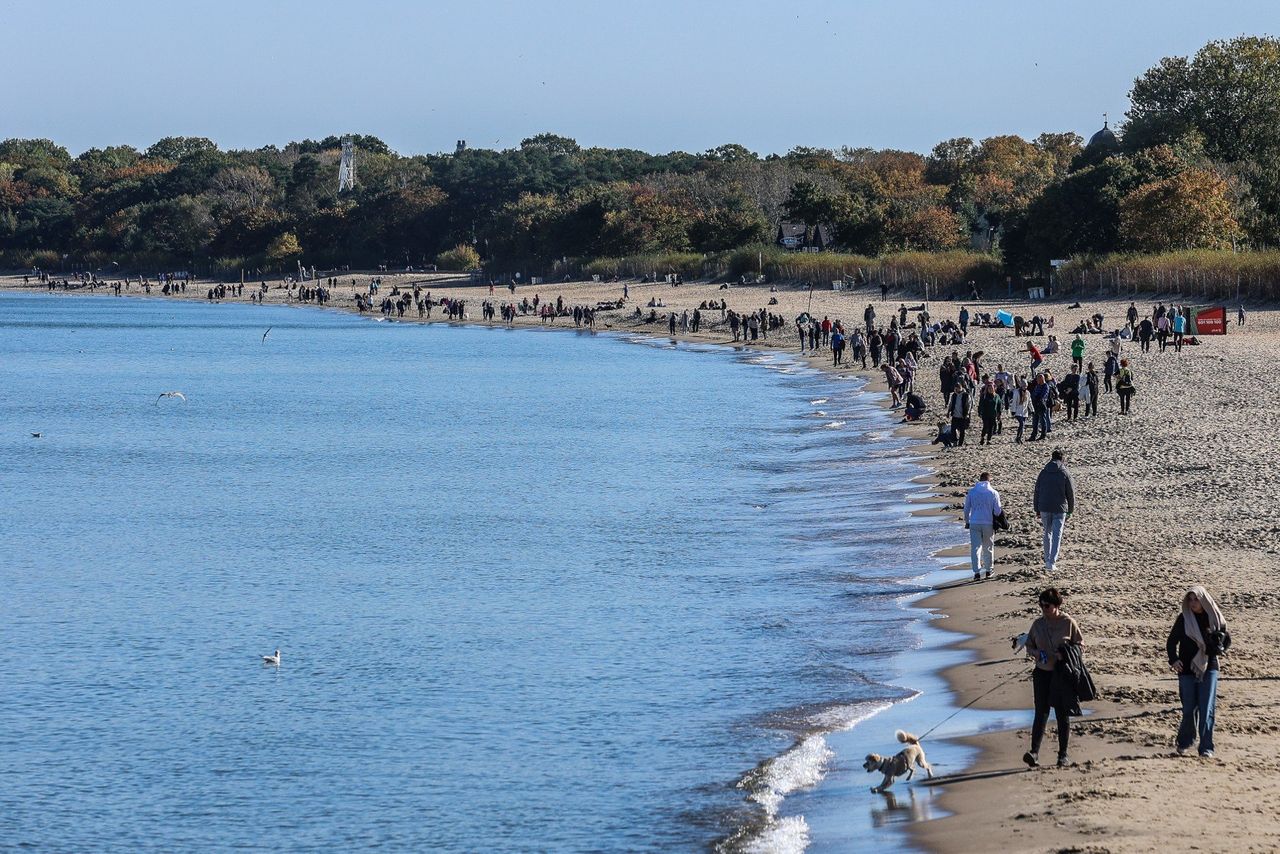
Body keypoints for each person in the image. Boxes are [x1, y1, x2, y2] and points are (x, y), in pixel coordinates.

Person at [1023, 587, 1084, 768]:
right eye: (1041, 605)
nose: (1043, 609)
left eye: (1047, 605)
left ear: (1056, 605)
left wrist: (1064, 654)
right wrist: (1036, 653)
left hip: (1061, 674)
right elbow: (1029, 645)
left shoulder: (1068, 622)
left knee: (1062, 713)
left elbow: (1080, 645)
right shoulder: (1037, 624)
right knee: (1040, 712)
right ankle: (1034, 753)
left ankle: (1063, 755)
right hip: (1041, 673)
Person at [1167, 586, 1230, 757]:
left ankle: (1206, 748)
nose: (1193, 603)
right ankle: (1185, 741)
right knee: (1188, 708)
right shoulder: (1184, 618)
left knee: (1206, 708)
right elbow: (1171, 642)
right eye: (1190, 599)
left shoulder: (1215, 618)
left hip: (1209, 667)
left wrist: (1217, 646)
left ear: (1204, 600)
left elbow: (1225, 641)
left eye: (1196, 599)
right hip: (1186, 668)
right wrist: (1174, 660)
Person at [1033, 449, 1075, 572]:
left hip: (1044, 507)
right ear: (1062, 459)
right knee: (1057, 534)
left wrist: (1037, 508)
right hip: (1060, 507)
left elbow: (1037, 491)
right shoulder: (1065, 472)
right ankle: (1052, 561)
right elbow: (1071, 493)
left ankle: (1047, 560)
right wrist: (1071, 510)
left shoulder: (1043, 472)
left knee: (1047, 532)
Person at [963, 472, 1002, 581]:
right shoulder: (993, 493)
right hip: (988, 523)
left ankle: (976, 573)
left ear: (979, 480)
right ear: (989, 481)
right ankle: (989, 570)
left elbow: (966, 509)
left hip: (974, 522)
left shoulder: (972, 492)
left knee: (975, 548)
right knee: (988, 547)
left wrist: (967, 521)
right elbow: (998, 511)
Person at [1010, 378, 1030, 443]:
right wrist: (1013, 411)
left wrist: (1032, 410)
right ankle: (1018, 437)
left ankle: (1019, 437)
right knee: (1022, 424)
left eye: (1026, 386)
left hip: (1024, 412)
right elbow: (1014, 402)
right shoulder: (1016, 392)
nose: (1025, 387)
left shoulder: (1027, 393)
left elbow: (1029, 402)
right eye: (1024, 386)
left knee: (1022, 425)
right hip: (1018, 411)